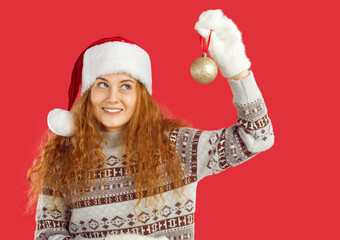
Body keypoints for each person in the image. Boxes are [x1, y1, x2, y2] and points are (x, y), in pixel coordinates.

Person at [27, 9, 274, 240]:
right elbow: (47, 235)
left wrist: (238, 71)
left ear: (141, 95)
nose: (113, 97)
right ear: (88, 94)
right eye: (102, 84)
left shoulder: (179, 148)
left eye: (126, 86)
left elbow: (258, 136)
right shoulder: (63, 159)